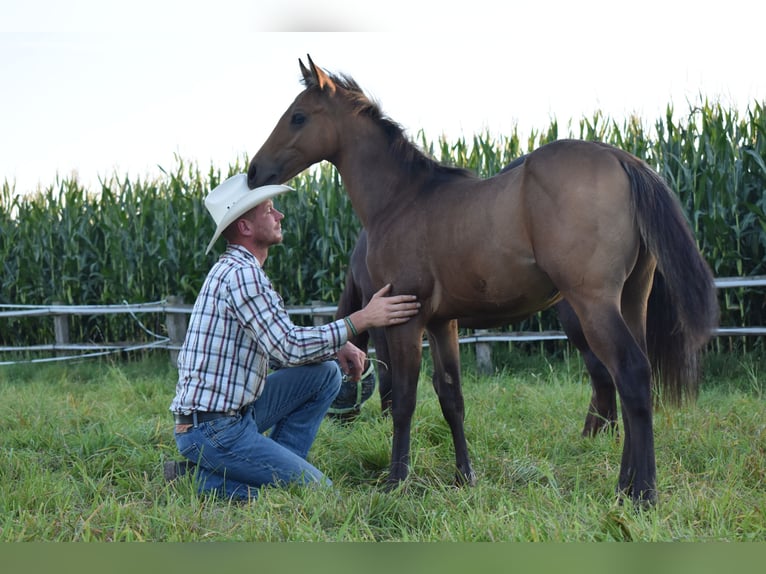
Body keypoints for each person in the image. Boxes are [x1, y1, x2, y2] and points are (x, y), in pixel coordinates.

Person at [165, 174, 420, 501]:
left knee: (326, 374)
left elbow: (273, 347)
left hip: (231, 416)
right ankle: (199, 480)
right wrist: (361, 319)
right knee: (317, 492)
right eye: (269, 210)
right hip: (214, 429)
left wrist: (336, 346)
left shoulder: (236, 270)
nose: (279, 215)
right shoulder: (243, 275)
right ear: (245, 227)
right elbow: (287, 348)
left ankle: (279, 464)